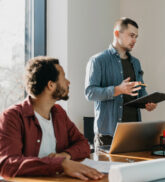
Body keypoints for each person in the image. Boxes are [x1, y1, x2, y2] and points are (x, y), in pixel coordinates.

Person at [0, 56, 104, 180]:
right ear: (50, 85)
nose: (68, 82)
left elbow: (83, 145)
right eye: (64, 77)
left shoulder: (59, 113)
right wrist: (59, 164)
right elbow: (7, 165)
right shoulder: (12, 116)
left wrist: (65, 156)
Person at [85, 17, 157, 149]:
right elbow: (90, 93)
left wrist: (147, 102)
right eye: (131, 35)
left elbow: (140, 90)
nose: (134, 40)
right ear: (117, 33)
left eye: (136, 37)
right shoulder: (97, 61)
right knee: (108, 170)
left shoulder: (136, 63)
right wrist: (117, 89)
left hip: (134, 132)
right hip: (108, 134)